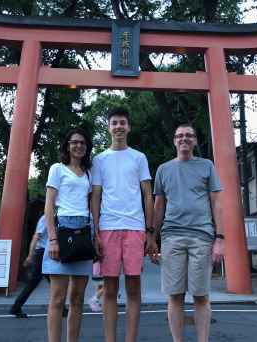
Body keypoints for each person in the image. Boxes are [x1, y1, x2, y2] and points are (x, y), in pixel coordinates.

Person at [148, 123, 224, 342]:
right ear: (174, 140)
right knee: (175, 295)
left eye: (189, 135)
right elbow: (158, 206)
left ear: (195, 140)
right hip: (172, 237)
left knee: (201, 295)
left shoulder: (206, 166)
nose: (184, 139)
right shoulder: (163, 169)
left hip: (202, 235)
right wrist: (152, 237)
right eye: (180, 135)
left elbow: (216, 203)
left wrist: (220, 238)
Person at [91, 107, 154, 342]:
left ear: (128, 127)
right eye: (114, 123)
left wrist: (149, 231)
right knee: (109, 289)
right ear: (108, 127)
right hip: (107, 227)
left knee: (134, 288)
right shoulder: (99, 159)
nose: (118, 126)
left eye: (122, 123)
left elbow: (147, 194)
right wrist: (95, 230)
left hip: (135, 227)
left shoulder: (139, 157)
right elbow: (95, 196)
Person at [42, 128, 93, 342]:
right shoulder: (58, 169)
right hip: (62, 230)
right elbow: (49, 205)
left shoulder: (89, 172)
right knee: (57, 298)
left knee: (78, 298)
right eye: (74, 142)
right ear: (67, 145)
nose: (78, 146)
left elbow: (92, 204)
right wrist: (52, 238)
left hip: (83, 231)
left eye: (82, 142)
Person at [9, 215, 48, 318]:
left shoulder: (54, 217)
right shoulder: (46, 218)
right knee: (34, 282)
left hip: (46, 253)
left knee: (54, 282)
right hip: (42, 253)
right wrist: (30, 256)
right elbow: (36, 236)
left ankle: (62, 308)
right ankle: (16, 307)